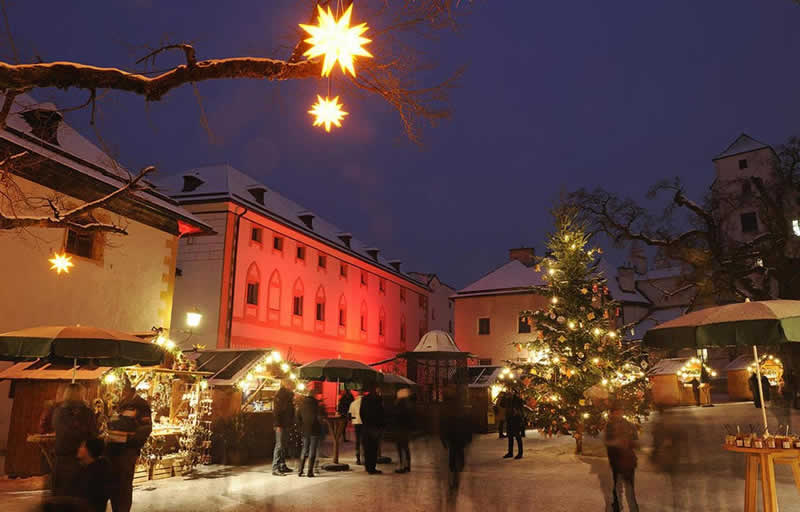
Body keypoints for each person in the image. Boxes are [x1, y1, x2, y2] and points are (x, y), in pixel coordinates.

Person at [107, 379, 152, 512]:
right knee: (114, 486)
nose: (119, 392)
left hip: (126, 453)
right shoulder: (121, 404)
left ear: (129, 389)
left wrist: (130, 444)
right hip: (113, 451)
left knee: (124, 487)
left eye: (121, 389)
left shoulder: (141, 405)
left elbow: (145, 429)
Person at [52, 383, 97, 499]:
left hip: (61, 455)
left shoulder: (58, 411)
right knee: (77, 494)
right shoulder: (87, 413)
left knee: (61, 494)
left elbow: (57, 428)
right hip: (79, 457)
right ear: (81, 394)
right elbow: (92, 433)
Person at [605, 401, 639, 512]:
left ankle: (632, 509)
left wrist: (629, 443)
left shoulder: (629, 425)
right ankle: (617, 507)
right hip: (617, 461)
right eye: (615, 412)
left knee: (629, 489)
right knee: (618, 487)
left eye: (619, 412)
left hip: (628, 461)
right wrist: (616, 443)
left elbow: (636, 441)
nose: (617, 414)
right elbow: (607, 443)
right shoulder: (609, 426)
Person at [440, 388, 472, 496]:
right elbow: (467, 423)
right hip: (457, 438)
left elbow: (444, 426)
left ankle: (455, 477)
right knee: (457, 457)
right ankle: (455, 476)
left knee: (454, 458)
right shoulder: (459, 409)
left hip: (454, 438)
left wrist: (443, 439)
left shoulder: (448, 410)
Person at [76, 438, 111, 512]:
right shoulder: (89, 468)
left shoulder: (95, 473)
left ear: (89, 451)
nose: (79, 449)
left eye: (82, 446)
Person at [359, 383, 385, 474]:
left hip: (366, 426)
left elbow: (361, 413)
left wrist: (365, 423)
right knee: (373, 448)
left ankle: (368, 467)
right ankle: (372, 468)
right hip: (375, 427)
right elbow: (381, 413)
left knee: (367, 448)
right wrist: (381, 426)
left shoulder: (364, 399)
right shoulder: (378, 399)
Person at [296, 391, 323, 478]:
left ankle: (300, 471)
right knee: (312, 450)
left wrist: (301, 427)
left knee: (304, 449)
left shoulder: (301, 404)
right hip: (315, 430)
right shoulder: (316, 405)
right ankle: (310, 472)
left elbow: (298, 417)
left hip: (305, 430)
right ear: (314, 395)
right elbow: (320, 417)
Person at [271, 379, 295, 476]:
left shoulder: (288, 396)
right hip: (281, 425)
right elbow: (277, 412)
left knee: (283, 445)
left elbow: (289, 410)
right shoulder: (280, 396)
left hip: (286, 423)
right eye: (291, 385)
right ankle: (275, 467)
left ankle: (282, 465)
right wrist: (278, 425)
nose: (292, 387)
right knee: (279, 445)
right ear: (286, 385)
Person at [393, 388, 414, 473]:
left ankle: (402, 465)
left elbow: (396, 418)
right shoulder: (409, 405)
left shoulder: (398, 406)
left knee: (400, 448)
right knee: (405, 447)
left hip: (399, 429)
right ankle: (407, 465)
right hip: (406, 429)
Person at [503, 392, 524, 459]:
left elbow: (521, 408)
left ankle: (520, 453)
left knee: (517, 436)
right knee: (510, 436)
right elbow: (502, 405)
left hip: (516, 419)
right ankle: (510, 452)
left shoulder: (517, 399)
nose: (508, 394)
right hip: (509, 418)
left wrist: (518, 414)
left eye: (510, 393)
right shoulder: (507, 399)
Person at [348, 391, 364, 465]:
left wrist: (353, 419)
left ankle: (358, 458)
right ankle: (364, 457)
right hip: (365, 423)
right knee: (365, 441)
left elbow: (349, 415)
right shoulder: (365, 402)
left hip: (357, 423)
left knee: (357, 441)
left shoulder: (353, 403)